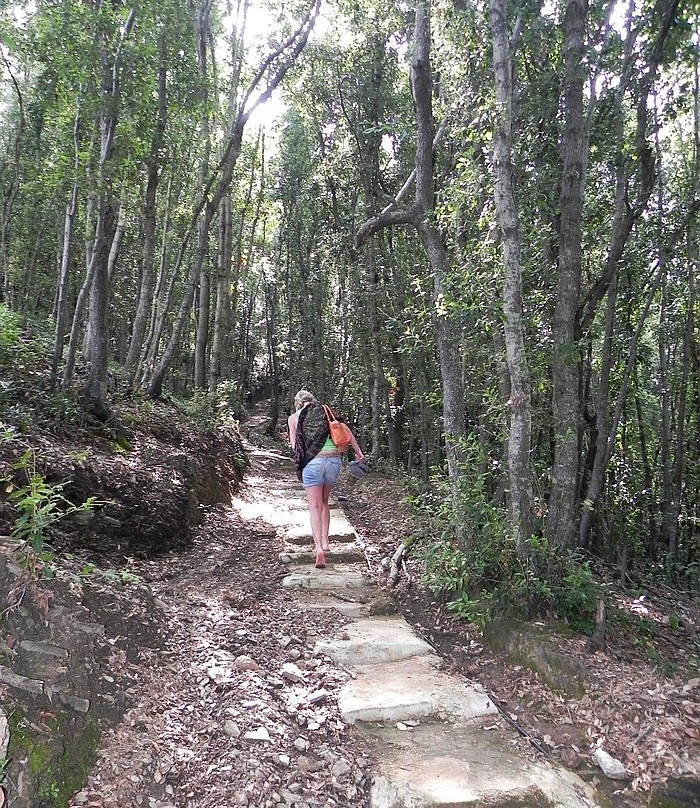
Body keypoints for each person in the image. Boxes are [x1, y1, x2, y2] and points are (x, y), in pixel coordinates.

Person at [288, 389, 364, 569]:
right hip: (333, 461)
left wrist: (303, 462)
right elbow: (344, 430)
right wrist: (359, 453)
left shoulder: (293, 418)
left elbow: (294, 446)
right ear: (312, 400)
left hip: (312, 463)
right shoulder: (325, 410)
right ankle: (326, 541)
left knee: (314, 506)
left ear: (298, 403)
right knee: (324, 503)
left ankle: (318, 549)